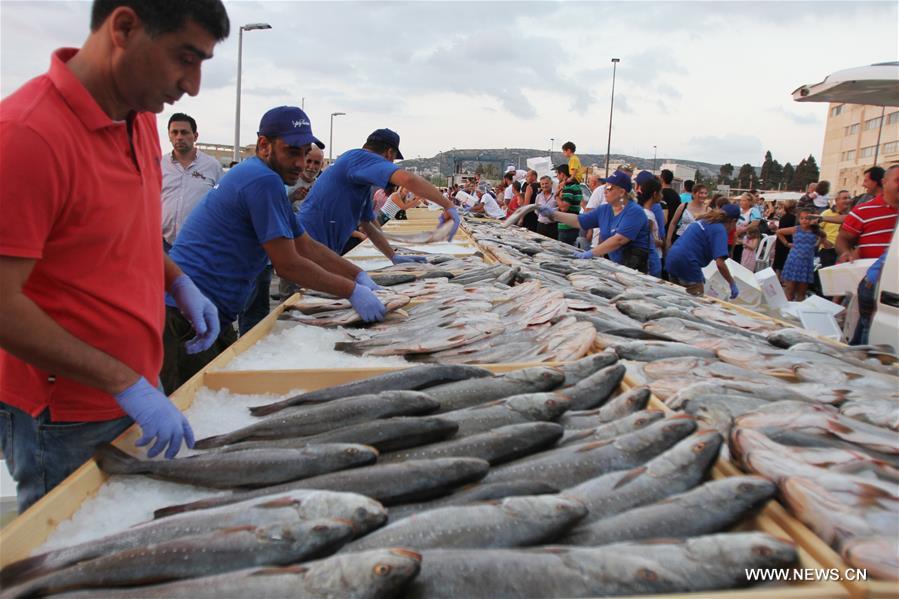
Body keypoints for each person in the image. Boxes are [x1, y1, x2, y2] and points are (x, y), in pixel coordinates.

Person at [0, 0, 230, 512]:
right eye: (184, 58)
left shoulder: (139, 117)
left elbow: (127, 233)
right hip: (66, 418)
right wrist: (124, 382)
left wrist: (176, 281)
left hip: (133, 393)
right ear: (124, 28)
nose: (192, 85)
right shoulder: (27, 136)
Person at [164, 106, 388, 393]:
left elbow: (304, 244)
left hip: (202, 310)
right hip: (185, 316)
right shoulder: (262, 180)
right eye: (291, 151)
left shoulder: (265, 176)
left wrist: (359, 277)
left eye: (304, 152)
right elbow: (289, 265)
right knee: (198, 406)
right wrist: (351, 291)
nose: (300, 162)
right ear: (264, 145)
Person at [299, 128, 459, 263]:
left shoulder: (360, 183)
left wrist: (393, 256)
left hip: (323, 248)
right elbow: (409, 179)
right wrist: (449, 206)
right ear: (389, 153)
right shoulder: (359, 158)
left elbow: (369, 225)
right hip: (309, 244)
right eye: (393, 160)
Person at [540, 171, 651, 272]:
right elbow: (579, 221)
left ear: (621, 192)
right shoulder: (605, 209)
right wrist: (553, 214)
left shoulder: (634, 212)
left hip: (637, 269)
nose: (605, 191)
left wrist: (592, 252)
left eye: (609, 188)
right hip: (618, 266)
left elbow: (619, 239)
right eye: (604, 187)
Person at [161, 112, 224, 251]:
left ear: (195, 136)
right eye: (174, 132)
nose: (179, 137)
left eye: (184, 132)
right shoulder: (159, 165)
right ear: (169, 136)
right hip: (163, 245)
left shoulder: (212, 166)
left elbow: (222, 204)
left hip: (200, 247)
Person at [666, 204, 742, 298]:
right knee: (695, 303)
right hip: (688, 263)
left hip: (672, 259)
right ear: (733, 221)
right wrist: (731, 283)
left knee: (677, 299)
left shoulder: (706, 221)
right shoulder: (720, 230)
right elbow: (720, 263)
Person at [837, 164, 899, 262]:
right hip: (871, 275)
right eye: (898, 180)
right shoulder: (862, 211)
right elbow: (843, 239)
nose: (863, 184)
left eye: (866, 180)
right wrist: (846, 253)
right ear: (884, 182)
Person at [777, 208, 829, 301]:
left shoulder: (815, 231)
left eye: (807, 218)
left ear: (813, 219)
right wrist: (787, 244)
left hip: (806, 262)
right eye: (802, 218)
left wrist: (817, 244)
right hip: (793, 260)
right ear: (799, 219)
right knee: (790, 290)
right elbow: (779, 232)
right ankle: (787, 309)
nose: (804, 220)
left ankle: (798, 311)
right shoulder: (796, 229)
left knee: (802, 291)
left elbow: (824, 235)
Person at [667, 183, 709, 250]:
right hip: (681, 240)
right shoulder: (683, 206)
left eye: (705, 193)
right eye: (701, 193)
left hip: (698, 243)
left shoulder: (708, 210)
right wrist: (668, 240)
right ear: (694, 194)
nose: (703, 195)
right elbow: (673, 223)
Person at [638, 177, 665, 277]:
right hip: (651, 260)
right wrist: (661, 242)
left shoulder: (646, 212)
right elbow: (646, 240)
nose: (662, 195)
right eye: (660, 192)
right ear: (654, 194)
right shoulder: (648, 216)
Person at [818, 189, 852, 268]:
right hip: (828, 250)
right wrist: (824, 242)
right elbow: (816, 229)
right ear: (836, 200)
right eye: (844, 198)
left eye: (849, 198)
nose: (848, 200)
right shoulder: (826, 213)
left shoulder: (852, 215)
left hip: (845, 250)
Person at [286, 145, 324, 211]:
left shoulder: (321, 187)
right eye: (308, 161)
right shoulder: (286, 182)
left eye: (316, 163)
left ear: (322, 165)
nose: (311, 167)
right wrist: (292, 198)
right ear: (302, 160)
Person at [555, 164, 582, 246]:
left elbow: (564, 208)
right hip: (573, 226)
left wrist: (556, 196)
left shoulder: (569, 188)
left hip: (566, 228)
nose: (557, 177)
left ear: (562, 174)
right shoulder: (576, 186)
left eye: (557, 174)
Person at [733, 192, 762, 263]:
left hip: (746, 241)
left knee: (740, 260)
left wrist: (741, 231)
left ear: (750, 202)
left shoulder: (754, 210)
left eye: (744, 200)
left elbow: (755, 223)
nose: (741, 202)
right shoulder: (739, 210)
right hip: (735, 239)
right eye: (741, 200)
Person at [773, 200, 797, 276]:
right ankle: (781, 279)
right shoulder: (793, 218)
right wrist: (787, 243)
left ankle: (778, 279)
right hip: (787, 241)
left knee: (779, 262)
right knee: (783, 262)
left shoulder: (784, 217)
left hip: (781, 241)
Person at [534, 175, 558, 239]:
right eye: (542, 184)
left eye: (546, 183)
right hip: (541, 226)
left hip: (553, 226)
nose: (544, 186)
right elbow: (536, 211)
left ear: (551, 183)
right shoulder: (538, 196)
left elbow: (560, 209)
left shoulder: (556, 195)